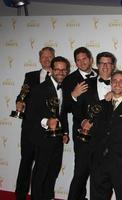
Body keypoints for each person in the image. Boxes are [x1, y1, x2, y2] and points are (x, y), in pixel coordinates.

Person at [78, 71, 122, 200]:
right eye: (114, 81)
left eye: (121, 81)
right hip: (99, 162)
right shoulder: (101, 105)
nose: (117, 84)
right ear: (111, 83)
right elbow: (95, 131)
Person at [24, 56, 70, 200]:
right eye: (57, 69)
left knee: (53, 172)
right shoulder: (39, 89)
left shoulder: (65, 88)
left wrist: (65, 132)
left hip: (57, 138)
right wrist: (46, 121)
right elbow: (30, 115)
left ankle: (48, 197)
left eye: (63, 70)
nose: (60, 72)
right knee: (40, 173)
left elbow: (61, 114)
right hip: (42, 138)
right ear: (50, 70)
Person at [14, 46, 55, 200]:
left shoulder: (59, 76)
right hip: (30, 128)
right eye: (43, 57)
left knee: (45, 166)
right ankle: (20, 195)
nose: (46, 59)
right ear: (39, 59)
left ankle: (42, 196)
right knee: (25, 162)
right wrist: (19, 102)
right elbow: (22, 94)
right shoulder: (30, 76)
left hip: (49, 130)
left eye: (49, 56)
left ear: (53, 58)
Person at [63, 47, 97, 200]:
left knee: (98, 173)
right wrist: (73, 95)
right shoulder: (70, 80)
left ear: (90, 59)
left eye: (85, 58)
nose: (82, 62)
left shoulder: (101, 73)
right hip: (82, 132)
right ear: (75, 62)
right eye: (78, 60)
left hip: (102, 133)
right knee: (81, 173)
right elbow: (65, 108)